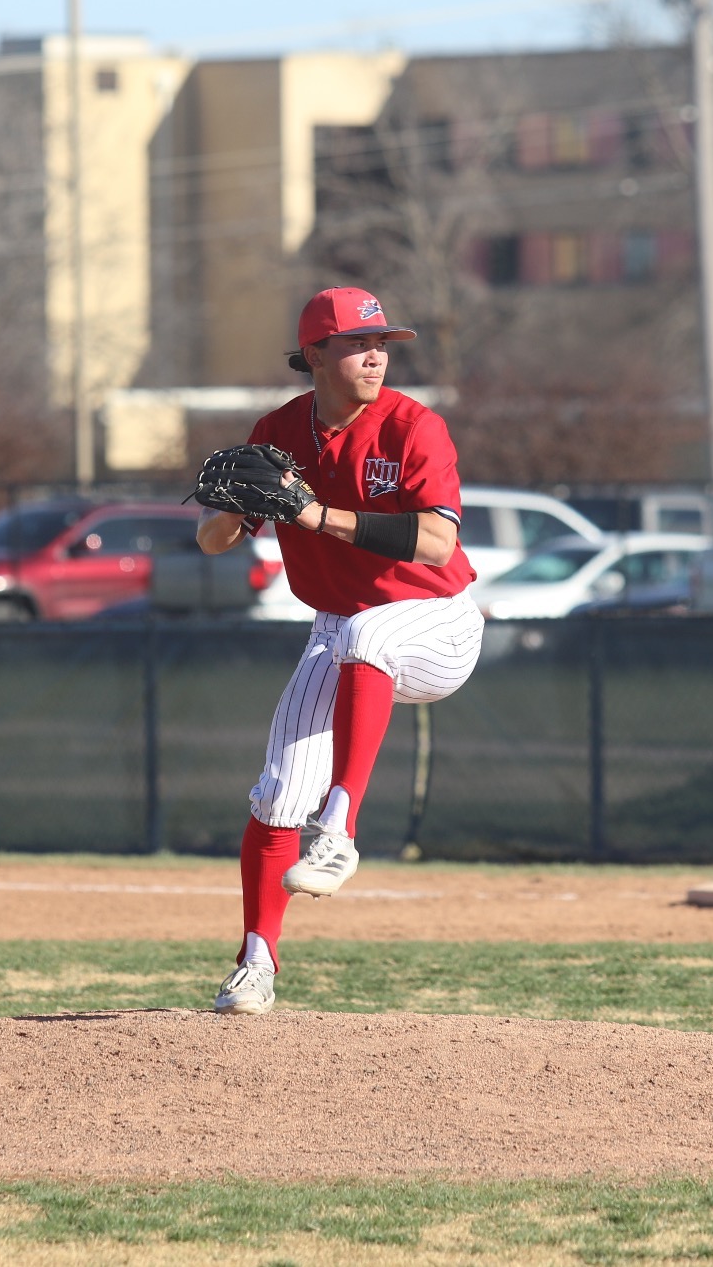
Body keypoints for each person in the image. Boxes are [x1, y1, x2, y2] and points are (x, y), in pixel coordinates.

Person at [195, 287, 483, 1016]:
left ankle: (344, 825)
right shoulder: (280, 431)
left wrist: (316, 515)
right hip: (340, 627)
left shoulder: (415, 426)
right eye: (359, 343)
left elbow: (437, 541)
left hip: (436, 620)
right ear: (316, 355)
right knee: (277, 791)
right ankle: (256, 962)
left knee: (367, 632)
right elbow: (211, 539)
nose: (377, 354)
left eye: (383, 341)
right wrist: (240, 512)